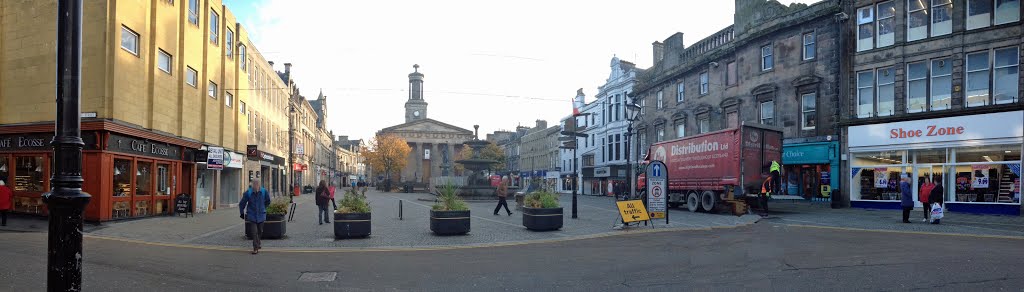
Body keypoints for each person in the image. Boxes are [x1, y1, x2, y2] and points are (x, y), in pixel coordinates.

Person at [239, 179, 270, 254]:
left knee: (260, 231)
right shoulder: (248, 193)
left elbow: (268, 201)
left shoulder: (264, 192)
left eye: (257, 184)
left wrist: (263, 208)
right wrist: (241, 213)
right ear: (252, 185)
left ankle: (258, 243)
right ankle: (255, 248)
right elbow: (242, 203)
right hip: (252, 215)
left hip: (261, 215)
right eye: (254, 184)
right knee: (254, 232)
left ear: (259, 184)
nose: (255, 186)